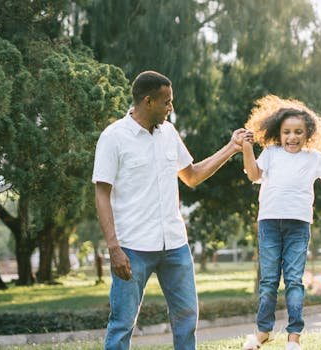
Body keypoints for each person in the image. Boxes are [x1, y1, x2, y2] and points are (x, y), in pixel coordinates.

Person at [92, 70, 249, 350]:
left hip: (174, 245)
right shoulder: (113, 137)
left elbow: (191, 175)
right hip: (132, 248)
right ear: (148, 101)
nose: (171, 108)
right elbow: (102, 194)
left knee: (187, 317)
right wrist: (113, 247)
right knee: (122, 323)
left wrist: (231, 148)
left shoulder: (169, 134)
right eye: (167, 102)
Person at [240, 95, 321, 350]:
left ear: (308, 134)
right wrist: (247, 148)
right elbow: (253, 174)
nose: (292, 137)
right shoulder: (271, 153)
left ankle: (294, 338)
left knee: (294, 280)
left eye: (298, 132)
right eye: (287, 132)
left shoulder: (313, 157)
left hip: (298, 226)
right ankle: (262, 333)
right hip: (269, 223)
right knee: (269, 281)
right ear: (278, 133)